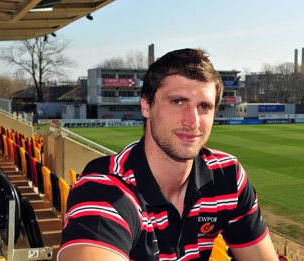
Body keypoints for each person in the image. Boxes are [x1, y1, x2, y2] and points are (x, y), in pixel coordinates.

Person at [58, 48, 279, 261]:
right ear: (146, 105)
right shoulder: (105, 190)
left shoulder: (227, 176)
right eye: (178, 102)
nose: (192, 121)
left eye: (204, 107)